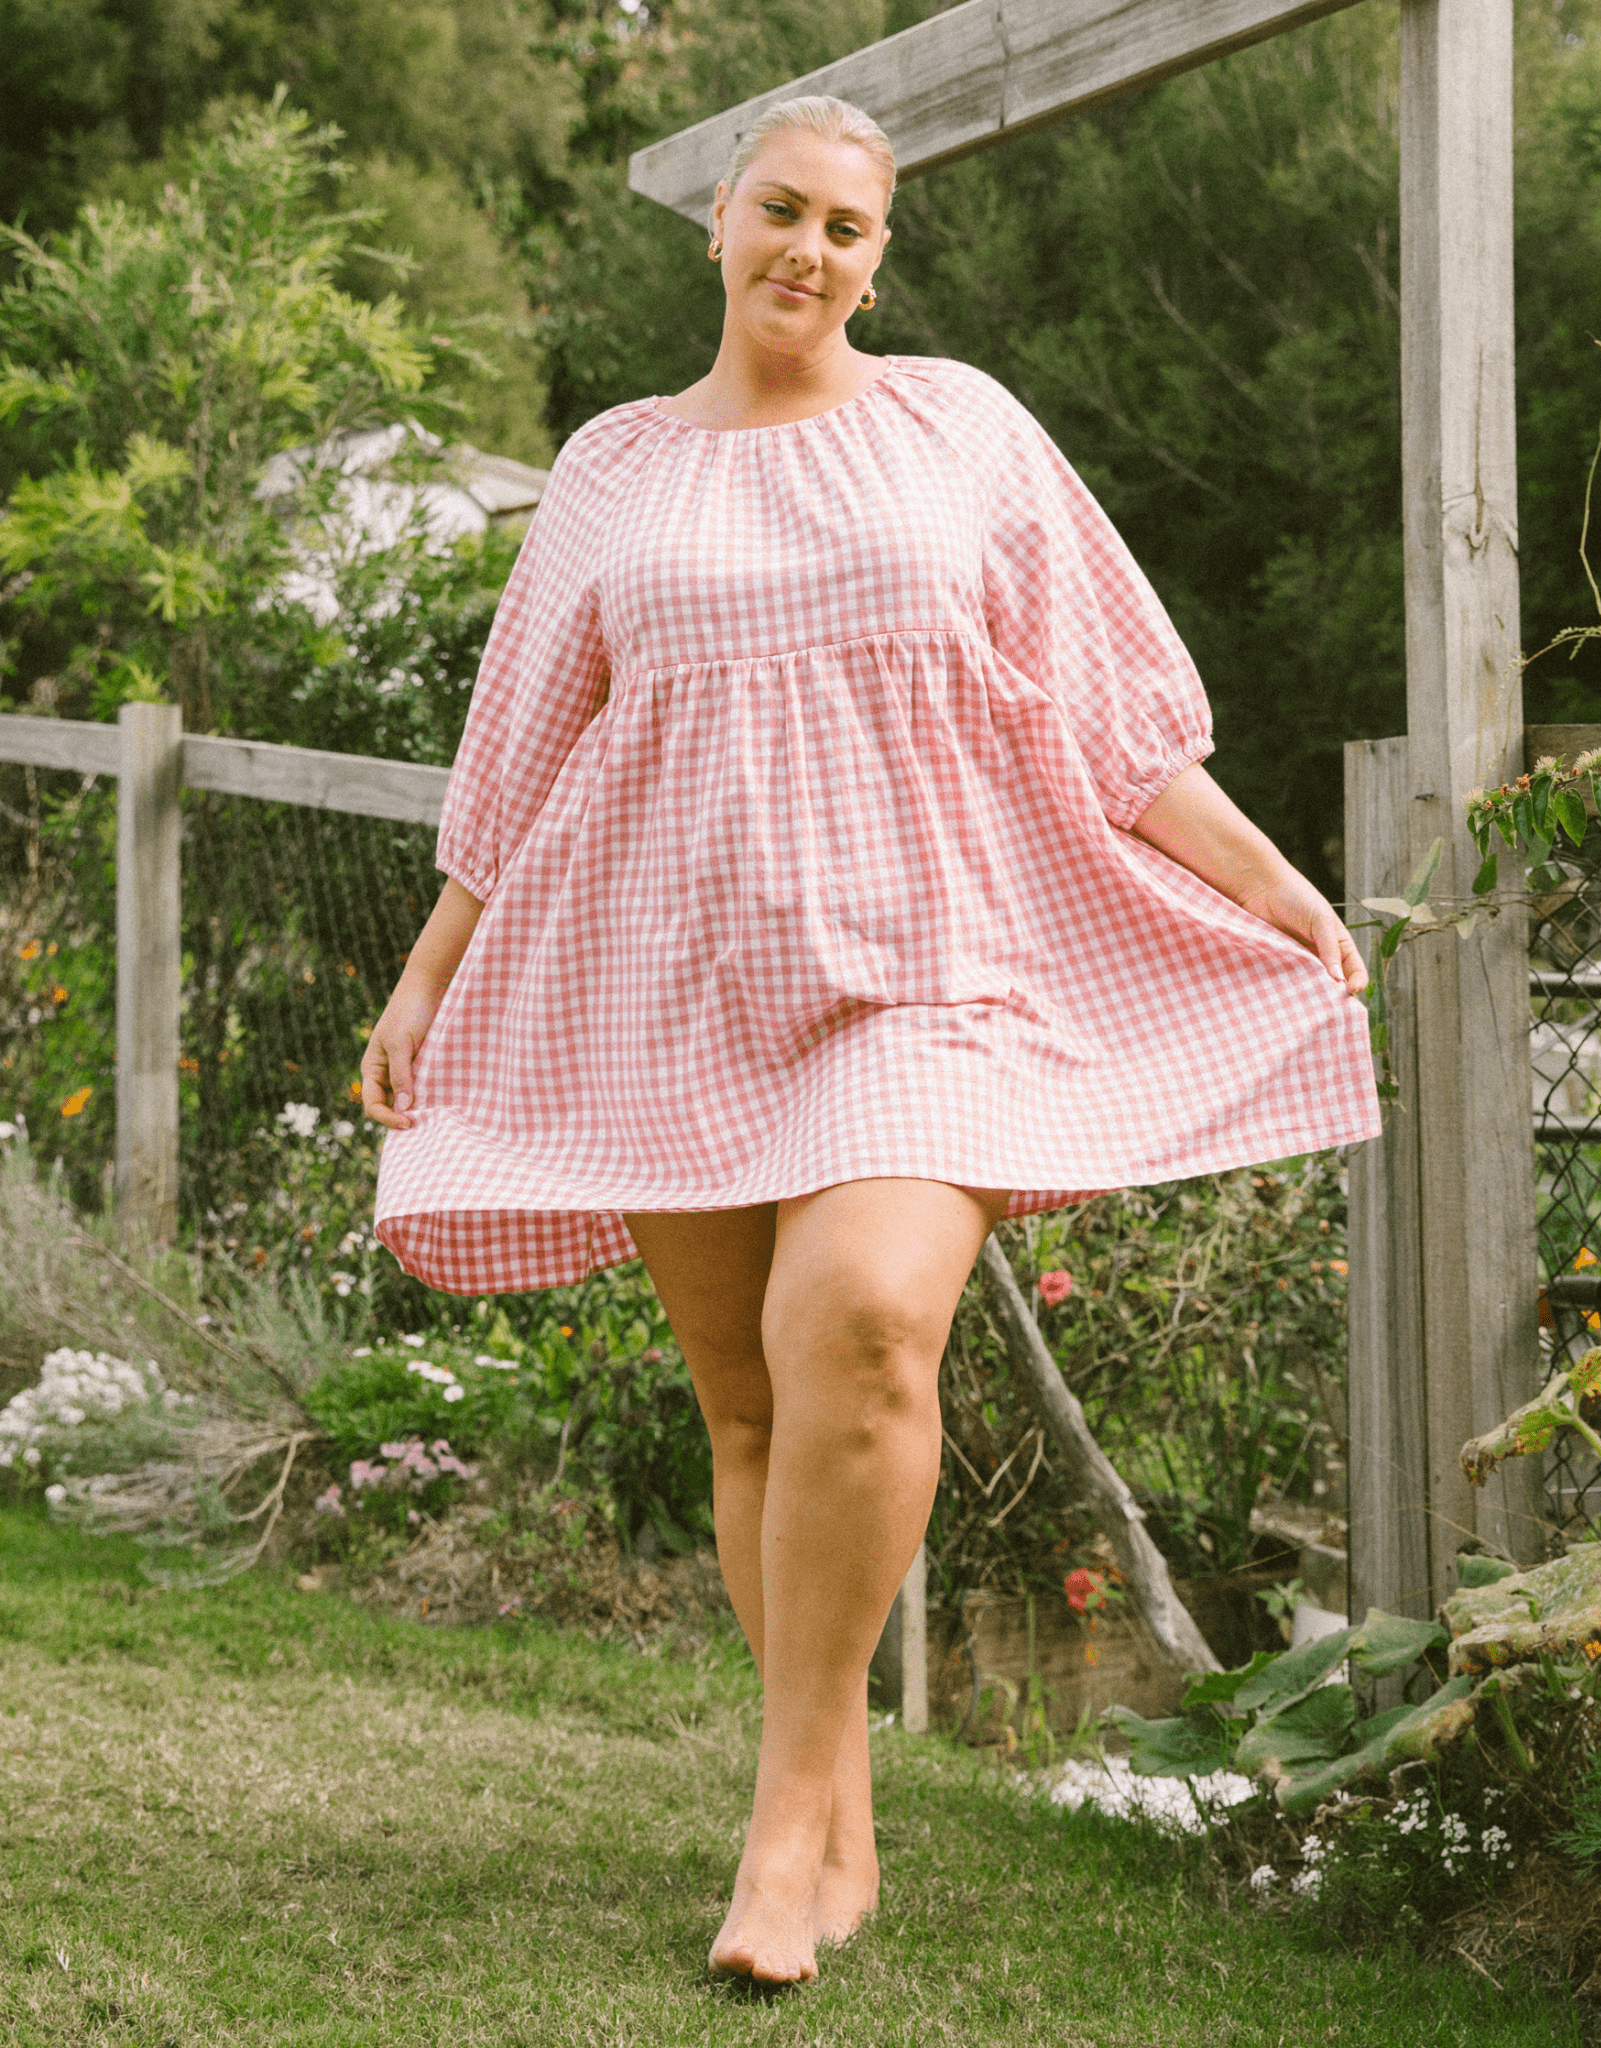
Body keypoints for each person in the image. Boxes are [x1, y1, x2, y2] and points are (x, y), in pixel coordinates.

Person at [363, 94, 1378, 1985]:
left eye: (846, 226)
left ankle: (780, 1829)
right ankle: (834, 1813)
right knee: (751, 1410)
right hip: (674, 984)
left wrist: (1266, 881)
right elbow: (521, 750)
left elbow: (1109, 712)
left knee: (862, 1323)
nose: (807, 251)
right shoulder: (611, 465)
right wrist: (430, 976)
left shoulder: (956, 426)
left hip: (928, 970)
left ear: (879, 258)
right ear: (719, 222)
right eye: (780, 211)